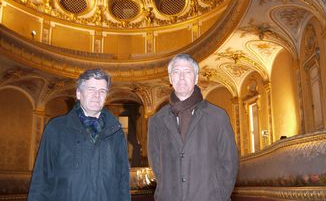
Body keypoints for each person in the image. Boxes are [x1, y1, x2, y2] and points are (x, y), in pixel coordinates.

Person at [28, 68, 131, 201]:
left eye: (102, 91)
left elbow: (123, 182)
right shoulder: (56, 128)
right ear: (78, 93)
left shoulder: (116, 132)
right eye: (91, 89)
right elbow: (41, 180)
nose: (97, 95)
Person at [147, 54, 239, 201]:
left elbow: (229, 163)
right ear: (170, 79)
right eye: (176, 72)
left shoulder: (218, 116)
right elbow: (157, 166)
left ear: (196, 78)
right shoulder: (156, 121)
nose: (181, 77)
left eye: (187, 72)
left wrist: (219, 196)